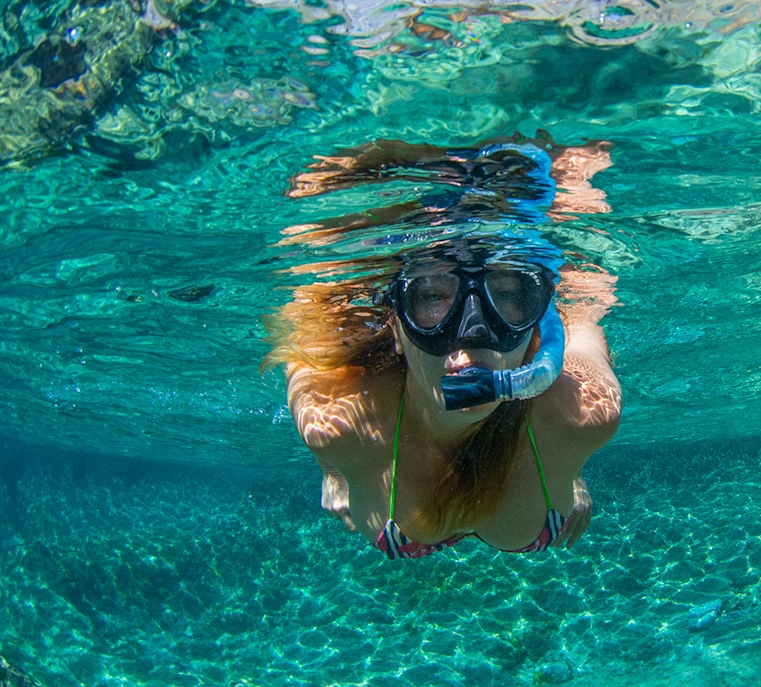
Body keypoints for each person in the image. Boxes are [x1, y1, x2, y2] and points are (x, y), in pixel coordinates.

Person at [265, 136, 621, 558]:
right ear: (396, 327)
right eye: (432, 298)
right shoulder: (338, 423)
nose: (471, 337)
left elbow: (583, 335)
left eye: (508, 295)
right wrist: (333, 469)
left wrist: (570, 467)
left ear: (535, 322)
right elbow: (307, 345)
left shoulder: (580, 416)